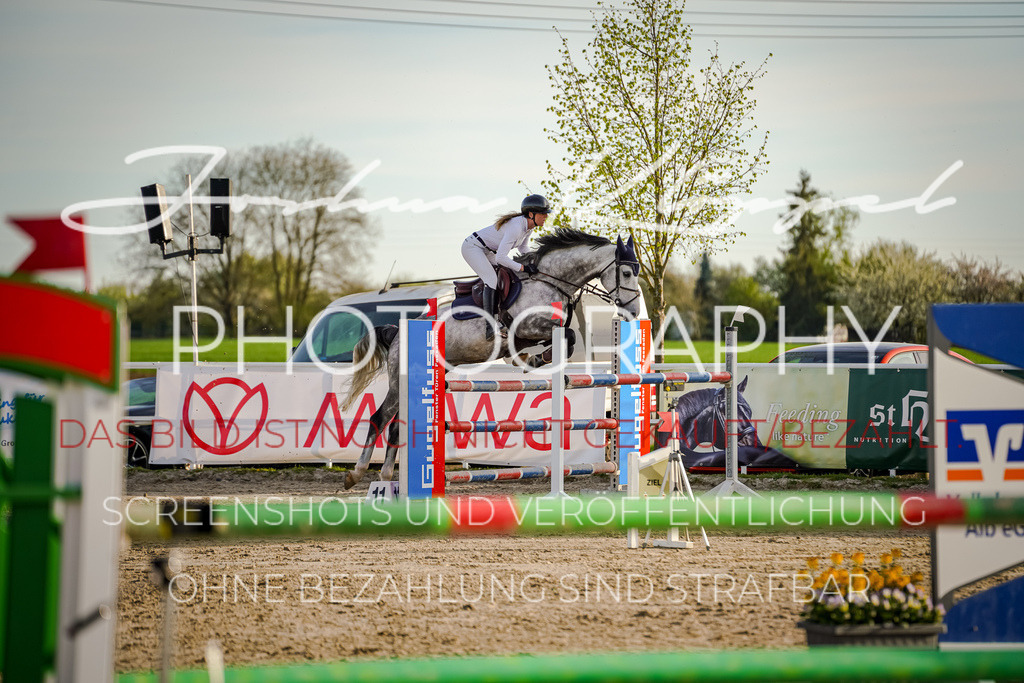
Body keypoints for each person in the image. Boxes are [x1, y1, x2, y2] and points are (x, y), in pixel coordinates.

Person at [461, 194, 550, 339]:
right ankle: (490, 326)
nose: (546, 216)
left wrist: (535, 261)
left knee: (508, 274)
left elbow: (523, 248)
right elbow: (501, 258)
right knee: (491, 279)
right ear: (531, 214)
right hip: (473, 247)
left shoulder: (529, 227)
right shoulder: (515, 227)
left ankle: (500, 317)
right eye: (543, 213)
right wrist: (523, 268)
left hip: (488, 251)